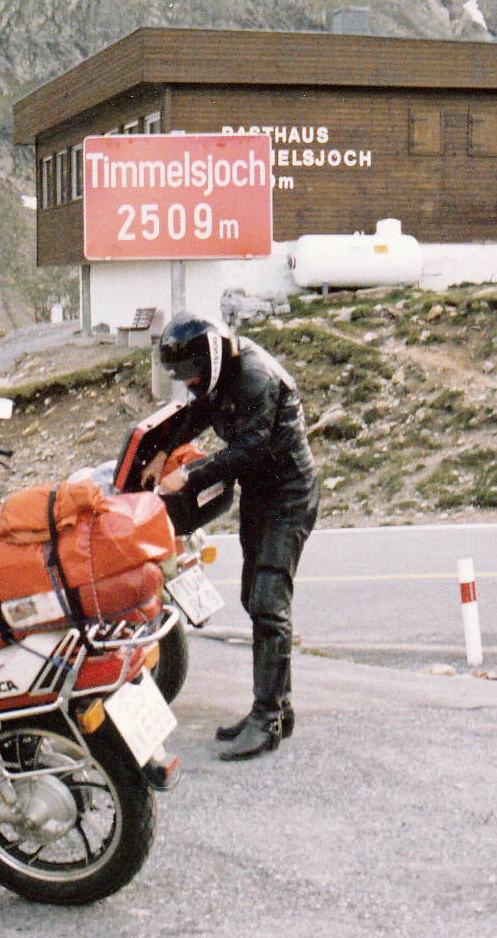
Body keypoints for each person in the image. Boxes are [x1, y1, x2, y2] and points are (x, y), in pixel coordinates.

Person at [143, 311, 319, 761]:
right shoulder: (216, 378)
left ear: (213, 356)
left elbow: (252, 450)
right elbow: (197, 412)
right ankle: (279, 704)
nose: (192, 381)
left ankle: (267, 719)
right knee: (253, 596)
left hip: (289, 494)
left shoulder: (255, 377)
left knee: (267, 601)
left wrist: (192, 474)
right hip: (262, 494)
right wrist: (163, 452)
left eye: (193, 372)